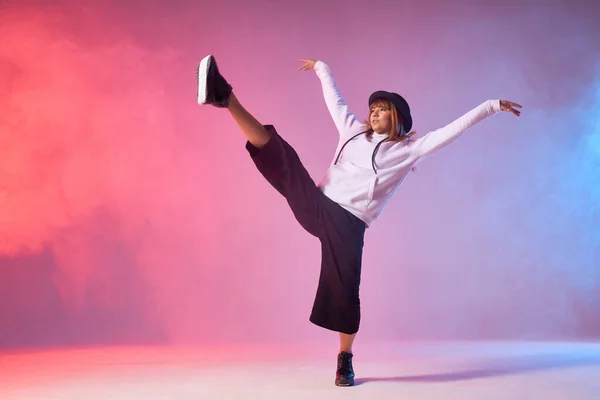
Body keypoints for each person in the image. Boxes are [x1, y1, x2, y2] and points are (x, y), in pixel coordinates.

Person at [196, 54, 522, 387]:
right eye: (373, 108)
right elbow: (334, 100)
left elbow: (450, 132)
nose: (374, 112)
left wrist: (491, 105)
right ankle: (225, 96)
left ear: (396, 118)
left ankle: (344, 358)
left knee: (345, 290)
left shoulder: (407, 150)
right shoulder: (352, 131)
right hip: (318, 204)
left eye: (382, 109)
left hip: (349, 224)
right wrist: (322, 68)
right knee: (282, 153)